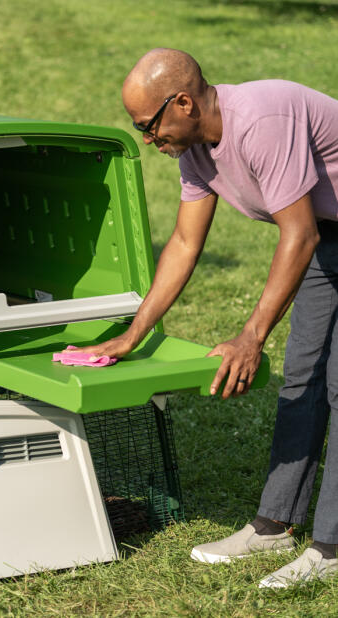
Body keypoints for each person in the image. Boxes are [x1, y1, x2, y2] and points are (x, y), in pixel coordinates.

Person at [66, 48, 338, 588]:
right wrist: (134, 333)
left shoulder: (262, 119)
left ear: (184, 102)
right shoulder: (195, 149)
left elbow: (298, 234)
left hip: (315, 232)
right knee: (303, 376)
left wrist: (250, 335)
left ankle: (330, 549)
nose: (147, 139)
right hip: (327, 234)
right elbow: (186, 243)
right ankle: (273, 525)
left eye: (148, 125)